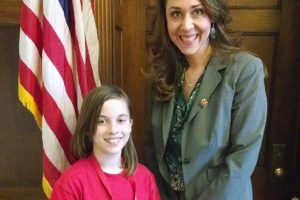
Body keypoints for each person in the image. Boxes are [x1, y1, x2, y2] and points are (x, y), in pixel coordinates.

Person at [144, 0, 268, 199]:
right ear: (165, 19)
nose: (186, 25)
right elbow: (152, 150)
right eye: (176, 14)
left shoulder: (245, 69)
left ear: (213, 15)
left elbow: (241, 159)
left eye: (197, 12)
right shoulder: (162, 73)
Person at [50, 85, 161, 200]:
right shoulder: (70, 184)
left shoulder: (145, 177)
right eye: (102, 121)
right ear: (88, 128)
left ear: (130, 125)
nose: (113, 130)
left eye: (121, 120)